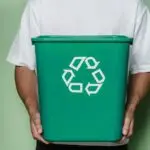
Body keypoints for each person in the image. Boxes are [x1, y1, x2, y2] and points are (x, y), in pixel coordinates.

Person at [6, 0, 150, 149]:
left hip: (110, 139)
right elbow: (24, 64)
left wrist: (131, 107)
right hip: (53, 138)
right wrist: (32, 109)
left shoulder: (131, 5)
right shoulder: (40, 4)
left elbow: (144, 66)